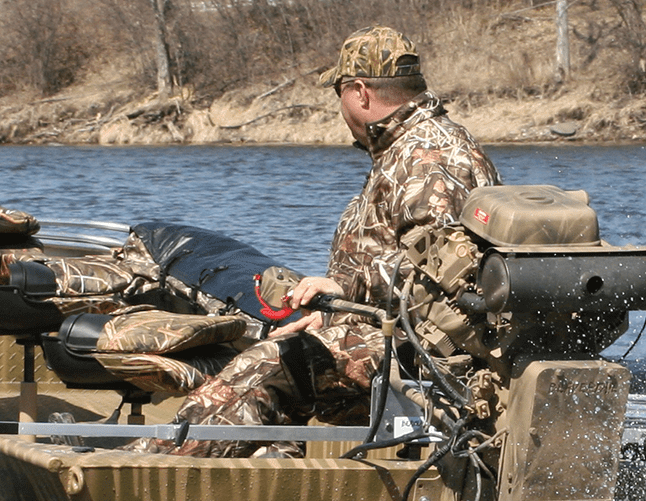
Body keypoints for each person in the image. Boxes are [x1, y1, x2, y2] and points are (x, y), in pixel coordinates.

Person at [128, 24, 501, 457]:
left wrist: (344, 292)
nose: (340, 107)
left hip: (424, 354)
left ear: (360, 92)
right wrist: (335, 315)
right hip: (393, 333)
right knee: (280, 349)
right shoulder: (406, 147)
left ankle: (145, 466)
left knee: (273, 362)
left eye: (339, 93)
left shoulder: (428, 157)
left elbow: (444, 282)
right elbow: (400, 258)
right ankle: (270, 478)